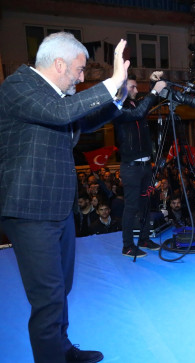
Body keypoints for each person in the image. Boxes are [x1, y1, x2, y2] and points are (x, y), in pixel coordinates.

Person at [0, 32, 129, 363]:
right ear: (59, 63)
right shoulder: (19, 86)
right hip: (29, 210)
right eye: (79, 69)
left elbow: (80, 119)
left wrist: (116, 97)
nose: (82, 76)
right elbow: (61, 114)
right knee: (48, 297)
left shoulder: (54, 98)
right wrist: (111, 82)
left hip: (57, 208)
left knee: (61, 289)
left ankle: (61, 350)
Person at [113, 72, 167, 258]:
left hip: (145, 165)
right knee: (131, 207)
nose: (136, 90)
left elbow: (146, 103)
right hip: (131, 167)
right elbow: (139, 112)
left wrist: (153, 82)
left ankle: (144, 238)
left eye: (137, 86)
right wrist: (153, 93)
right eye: (132, 87)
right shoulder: (118, 106)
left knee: (145, 204)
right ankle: (127, 246)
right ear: (122, 88)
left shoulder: (138, 104)